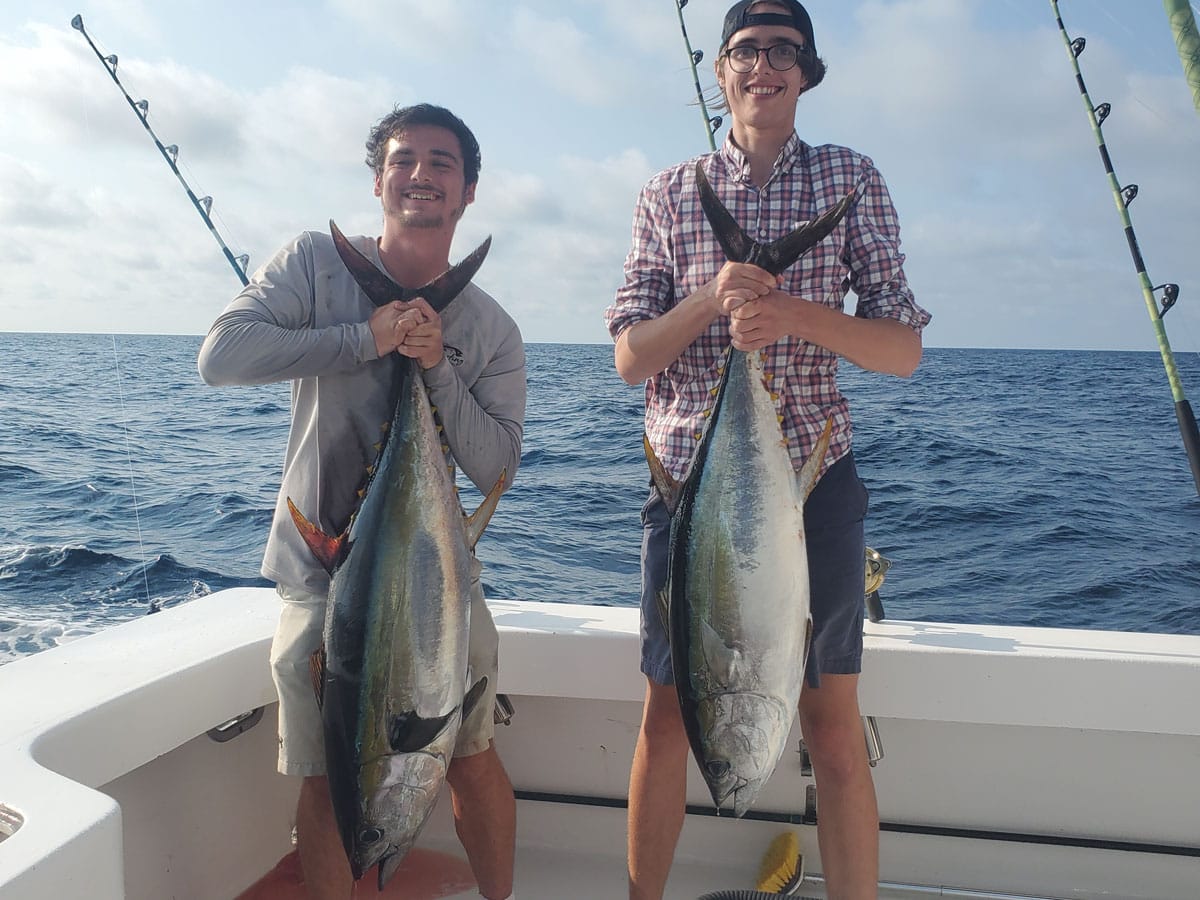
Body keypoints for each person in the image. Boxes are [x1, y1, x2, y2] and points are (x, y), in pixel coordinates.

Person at [605, 2, 931, 898]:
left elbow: (901, 349)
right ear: (720, 73)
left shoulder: (850, 177)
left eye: (784, 51)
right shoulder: (668, 192)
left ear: (807, 73)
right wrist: (710, 302)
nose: (764, 66)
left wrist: (790, 315)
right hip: (690, 491)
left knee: (832, 725)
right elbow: (630, 359)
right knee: (666, 717)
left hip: (814, 486)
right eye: (745, 50)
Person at [198, 103, 524, 900]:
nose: (421, 174)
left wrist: (434, 363)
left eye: (442, 162)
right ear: (378, 181)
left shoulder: (492, 327)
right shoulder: (315, 264)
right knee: (326, 778)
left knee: (472, 760)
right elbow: (220, 357)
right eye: (403, 159)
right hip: (321, 581)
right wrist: (364, 338)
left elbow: (497, 466)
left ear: (469, 190)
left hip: (439, 592)